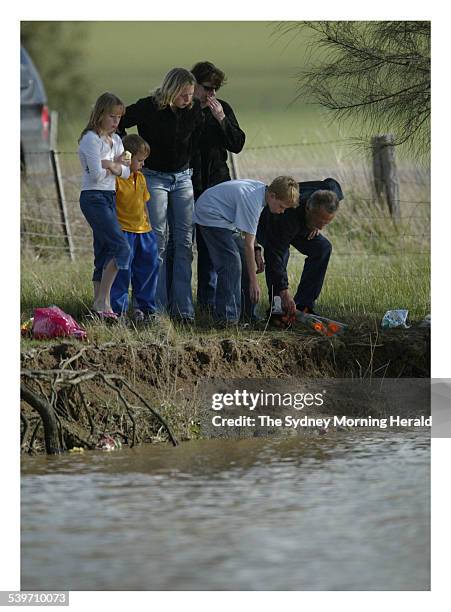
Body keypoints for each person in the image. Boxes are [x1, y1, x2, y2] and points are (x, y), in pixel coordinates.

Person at [118, 68, 203, 323]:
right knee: (158, 242)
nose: (188, 100)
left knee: (185, 244)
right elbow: (120, 123)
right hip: (154, 178)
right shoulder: (148, 107)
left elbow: (197, 141)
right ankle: (155, 308)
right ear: (171, 90)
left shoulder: (194, 110)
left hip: (183, 178)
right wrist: (128, 159)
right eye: (184, 95)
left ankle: (184, 310)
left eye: (190, 95)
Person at [193, 176, 299, 325]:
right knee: (231, 263)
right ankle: (226, 319)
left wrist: (257, 250)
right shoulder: (253, 201)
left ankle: (248, 315)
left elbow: (250, 232)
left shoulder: (263, 193)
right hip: (210, 215)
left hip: (226, 220)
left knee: (244, 259)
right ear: (273, 196)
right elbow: (248, 243)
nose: (282, 212)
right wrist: (254, 283)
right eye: (282, 207)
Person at [190, 61, 246, 312]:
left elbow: (237, 143)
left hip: (217, 184)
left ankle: (210, 301)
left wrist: (221, 119)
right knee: (186, 244)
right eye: (207, 88)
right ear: (194, 85)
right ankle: (195, 302)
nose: (212, 94)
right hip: (189, 184)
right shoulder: (185, 107)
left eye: (216, 89)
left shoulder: (223, 109)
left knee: (215, 243)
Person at [78, 92, 131, 321]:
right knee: (122, 248)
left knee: (104, 250)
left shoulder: (116, 140)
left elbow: (128, 173)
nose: (116, 122)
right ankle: (104, 300)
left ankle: (98, 308)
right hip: (93, 198)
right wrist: (113, 164)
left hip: (110, 197)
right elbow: (97, 176)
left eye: (119, 117)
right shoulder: (91, 139)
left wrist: (111, 165)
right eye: (112, 116)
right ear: (100, 114)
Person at [256, 178, 343, 317]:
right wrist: (283, 290)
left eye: (325, 223)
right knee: (282, 255)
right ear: (308, 208)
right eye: (319, 221)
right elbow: (274, 256)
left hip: (303, 226)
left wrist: (315, 224)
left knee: (322, 248)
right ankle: (277, 307)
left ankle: (304, 305)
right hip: (270, 225)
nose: (321, 227)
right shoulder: (286, 215)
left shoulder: (330, 194)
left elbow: (333, 183)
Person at [110, 134, 158, 323]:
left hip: (144, 232)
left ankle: (144, 309)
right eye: (140, 160)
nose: (143, 165)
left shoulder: (142, 178)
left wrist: (150, 228)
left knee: (148, 269)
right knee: (122, 271)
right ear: (128, 157)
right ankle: (118, 311)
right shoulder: (117, 179)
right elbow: (112, 205)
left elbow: (144, 204)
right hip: (124, 232)